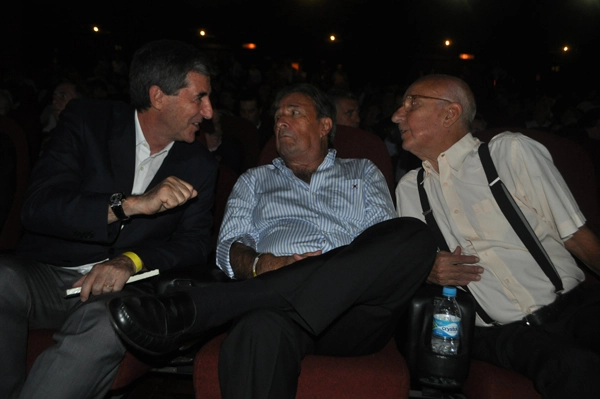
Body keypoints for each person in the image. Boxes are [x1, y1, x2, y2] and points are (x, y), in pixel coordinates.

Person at [107, 82, 437, 398]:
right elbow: (228, 248)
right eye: (278, 115)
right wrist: (258, 263)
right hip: (278, 314)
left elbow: (379, 246)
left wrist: (319, 271)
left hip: (354, 314)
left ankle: (200, 307)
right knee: (254, 332)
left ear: (324, 125)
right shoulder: (254, 180)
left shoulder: (363, 171)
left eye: (294, 112)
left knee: (415, 236)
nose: (281, 120)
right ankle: (222, 303)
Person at [0, 39, 218, 399]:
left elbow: (194, 245)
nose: (208, 112)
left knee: (107, 322)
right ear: (158, 96)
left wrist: (129, 261)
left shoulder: (200, 164)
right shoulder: (88, 122)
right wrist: (128, 205)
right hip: (50, 276)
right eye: (199, 97)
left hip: (122, 290)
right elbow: (38, 207)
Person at [393, 74, 600, 398]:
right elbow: (409, 267)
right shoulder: (409, 188)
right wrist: (428, 269)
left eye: (411, 103)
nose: (396, 115)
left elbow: (576, 237)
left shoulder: (509, 153)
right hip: (497, 331)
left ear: (450, 113)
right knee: (574, 367)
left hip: (573, 305)